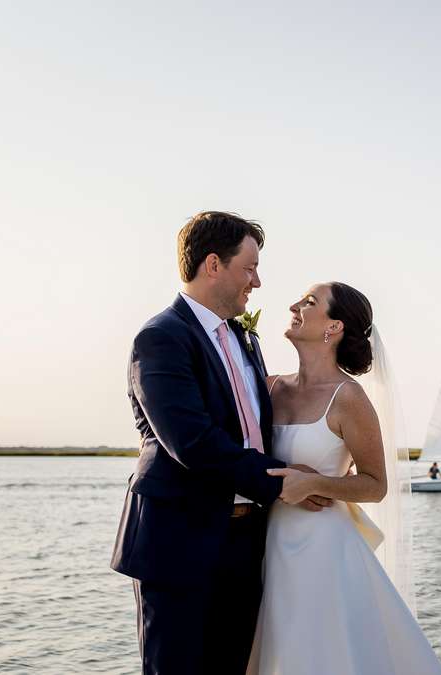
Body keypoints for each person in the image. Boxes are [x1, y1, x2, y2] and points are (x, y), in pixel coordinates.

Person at [109, 212, 328, 675]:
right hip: (179, 542)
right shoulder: (161, 338)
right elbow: (191, 442)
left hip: (246, 541)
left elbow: (253, 429)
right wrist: (283, 483)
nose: (258, 281)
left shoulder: (245, 339)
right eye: (249, 268)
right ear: (213, 264)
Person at [247, 282, 441, 674]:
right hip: (264, 546)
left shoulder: (348, 398)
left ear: (333, 327)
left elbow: (375, 484)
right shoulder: (268, 387)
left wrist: (315, 483)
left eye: (309, 301)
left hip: (323, 553)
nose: (293, 304)